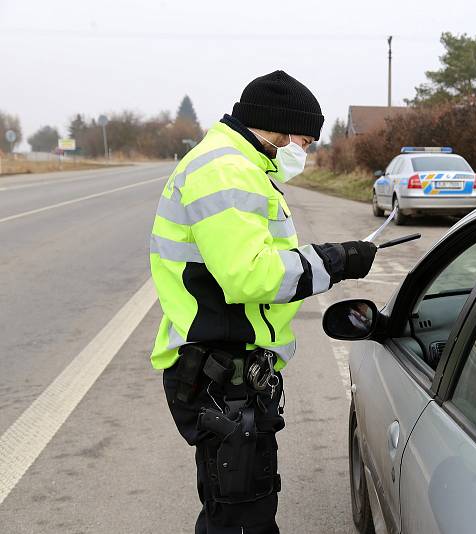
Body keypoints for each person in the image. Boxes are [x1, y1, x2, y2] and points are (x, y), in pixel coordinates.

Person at [149, 71, 378, 533]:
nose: (307, 151)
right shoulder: (226, 170)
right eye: (306, 140)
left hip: (226, 369)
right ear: (278, 127)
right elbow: (249, 274)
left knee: (238, 509)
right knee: (239, 519)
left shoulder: (240, 165)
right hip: (220, 371)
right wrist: (334, 261)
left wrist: (328, 257)